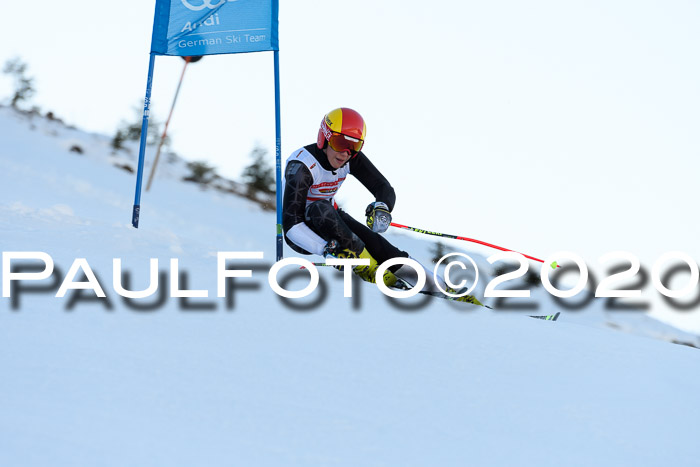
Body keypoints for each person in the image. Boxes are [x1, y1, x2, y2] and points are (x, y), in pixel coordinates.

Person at [282, 107, 480, 303]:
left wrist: (382, 207)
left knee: (378, 244)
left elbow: (382, 187)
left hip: (330, 221)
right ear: (324, 137)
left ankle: (439, 289)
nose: (345, 153)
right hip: (302, 233)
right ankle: (375, 273)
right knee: (320, 209)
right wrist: (325, 249)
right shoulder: (302, 167)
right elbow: (291, 226)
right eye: (340, 142)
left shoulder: (349, 158)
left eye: (355, 146)